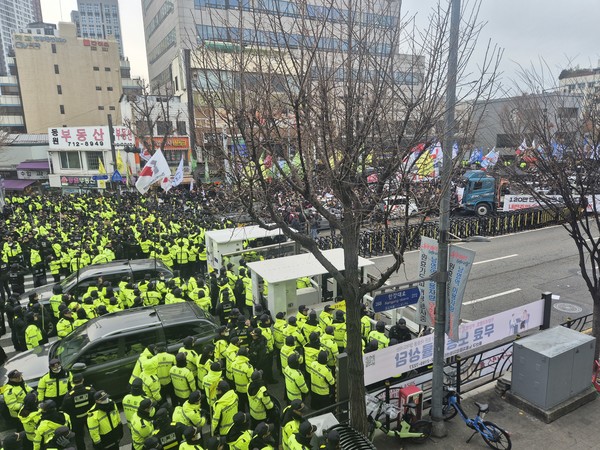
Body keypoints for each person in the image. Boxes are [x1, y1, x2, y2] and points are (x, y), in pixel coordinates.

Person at [60, 373, 95, 450]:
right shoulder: (90, 390)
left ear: (72, 382)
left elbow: (65, 409)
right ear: (82, 380)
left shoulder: (69, 396)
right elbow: (95, 402)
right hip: (90, 417)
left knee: (79, 437)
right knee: (93, 433)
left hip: (76, 420)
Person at [231, 346, 254, 413]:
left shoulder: (233, 364)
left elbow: (233, 376)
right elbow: (251, 380)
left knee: (241, 404)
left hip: (238, 388)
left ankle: (242, 415)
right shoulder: (248, 367)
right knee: (249, 404)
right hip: (246, 389)